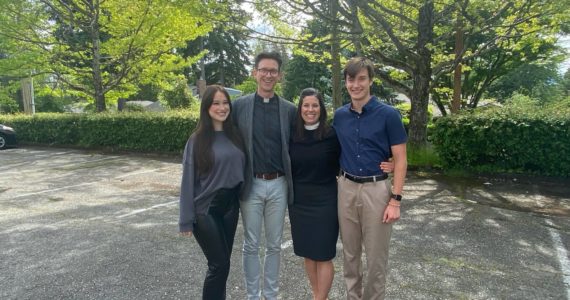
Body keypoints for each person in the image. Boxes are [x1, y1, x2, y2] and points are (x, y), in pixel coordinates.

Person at [333, 57, 408, 300]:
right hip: (345, 187)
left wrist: (395, 200)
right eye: (351, 79)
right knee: (350, 255)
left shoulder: (389, 115)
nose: (356, 84)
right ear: (346, 82)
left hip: (377, 190)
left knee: (376, 258)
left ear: (370, 81)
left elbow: (401, 159)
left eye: (361, 79)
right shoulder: (340, 116)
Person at [232, 51, 297, 300]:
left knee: (273, 244)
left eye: (273, 71)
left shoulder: (289, 110)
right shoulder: (239, 107)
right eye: (264, 70)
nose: (268, 75)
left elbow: (301, 144)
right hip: (251, 184)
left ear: (279, 76)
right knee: (250, 244)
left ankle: (270, 294)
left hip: (279, 184)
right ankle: (252, 295)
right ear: (255, 73)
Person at [179, 85, 246, 300]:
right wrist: (185, 220)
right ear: (207, 107)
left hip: (230, 206)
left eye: (225, 102)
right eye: (216, 103)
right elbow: (187, 181)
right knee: (219, 265)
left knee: (223, 265)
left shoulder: (235, 135)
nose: (222, 107)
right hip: (206, 209)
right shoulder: (197, 140)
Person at [288, 88, 340, 300]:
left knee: (324, 255)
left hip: (326, 201)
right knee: (309, 255)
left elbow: (349, 159)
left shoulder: (331, 134)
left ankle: (319, 298)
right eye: (306, 105)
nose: (310, 109)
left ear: (321, 108)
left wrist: (388, 162)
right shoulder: (292, 134)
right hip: (299, 202)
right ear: (300, 108)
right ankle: (318, 296)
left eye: (315, 105)